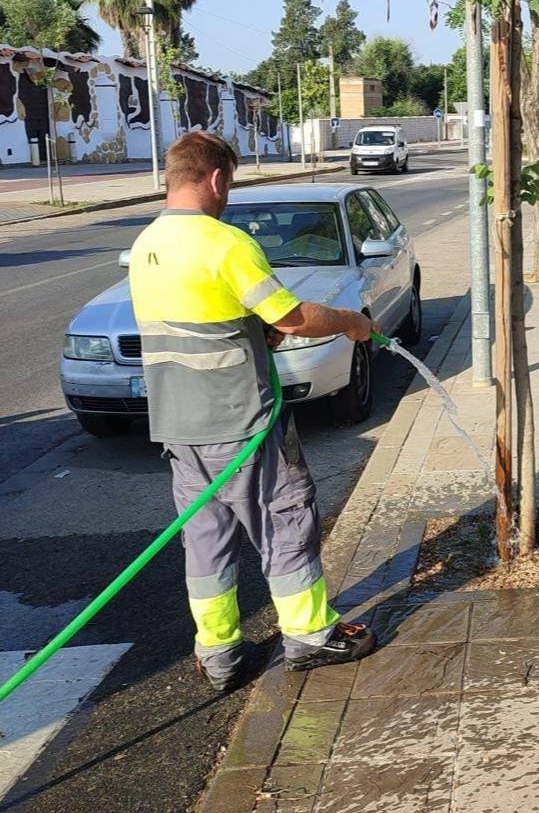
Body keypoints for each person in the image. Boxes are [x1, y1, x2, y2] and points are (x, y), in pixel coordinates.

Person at [128, 130, 377, 690]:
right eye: (230, 184)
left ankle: (218, 653)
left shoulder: (146, 246)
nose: (228, 195)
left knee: (207, 537)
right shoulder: (225, 243)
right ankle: (311, 635)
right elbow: (291, 318)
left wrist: (251, 334)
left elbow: (201, 322)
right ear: (216, 178)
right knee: (285, 517)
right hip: (242, 423)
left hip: (178, 425)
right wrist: (351, 323)